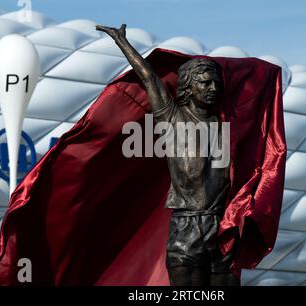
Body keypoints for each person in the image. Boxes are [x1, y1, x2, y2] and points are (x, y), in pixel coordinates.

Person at [95, 24, 238, 286]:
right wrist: (122, 42)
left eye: (217, 83)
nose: (213, 88)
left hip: (220, 225)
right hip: (186, 226)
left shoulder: (223, 122)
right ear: (189, 86)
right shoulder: (173, 118)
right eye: (205, 83)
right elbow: (149, 77)